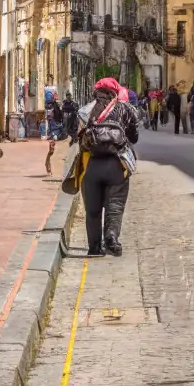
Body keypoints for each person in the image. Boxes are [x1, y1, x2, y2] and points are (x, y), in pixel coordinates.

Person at [76, 77, 140, 256]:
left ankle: (94, 247)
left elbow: (75, 135)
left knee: (93, 209)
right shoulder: (125, 109)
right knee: (115, 204)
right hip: (116, 165)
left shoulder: (85, 111)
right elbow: (134, 137)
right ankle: (111, 236)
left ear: (96, 91)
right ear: (115, 92)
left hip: (91, 165)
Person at [46, 94, 65, 174]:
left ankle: (49, 166)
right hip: (55, 126)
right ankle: (49, 166)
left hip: (58, 126)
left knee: (54, 145)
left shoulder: (56, 105)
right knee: (53, 146)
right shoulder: (52, 106)